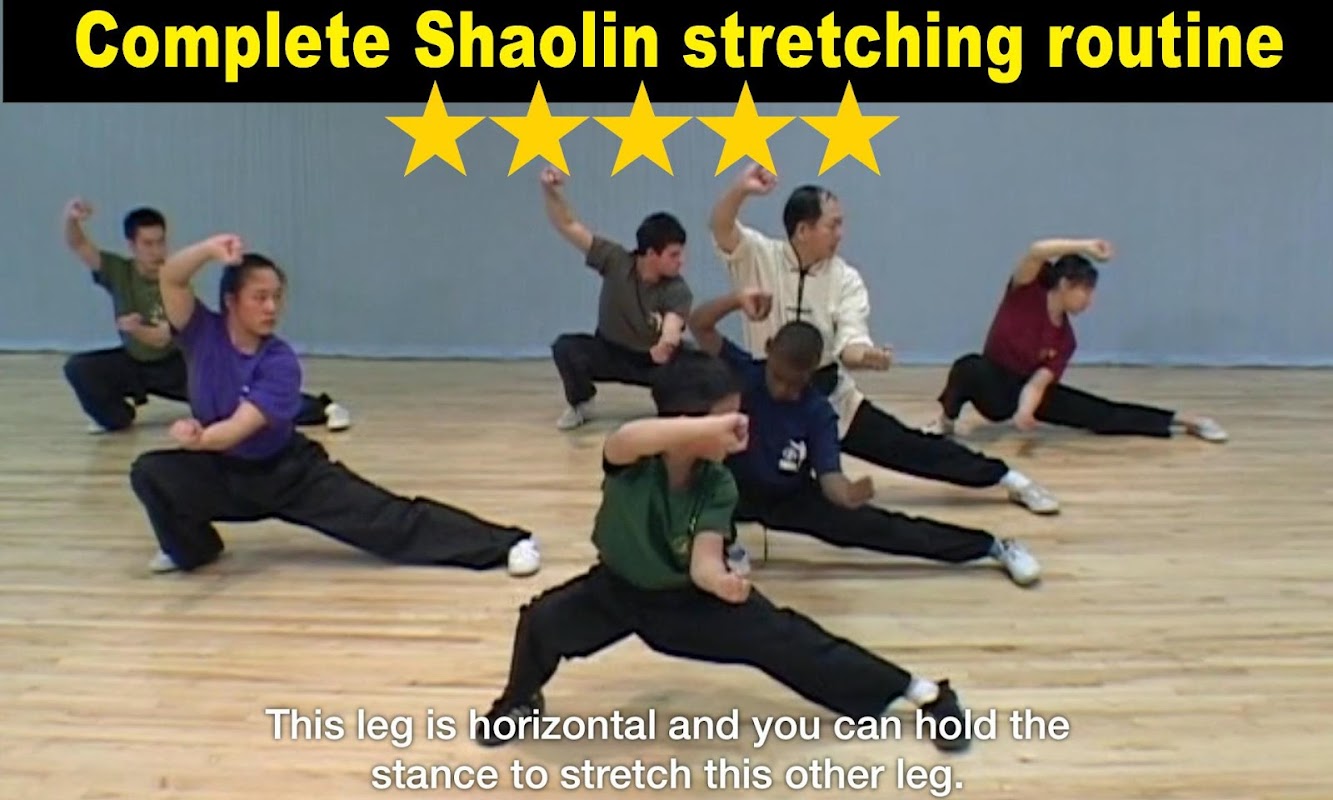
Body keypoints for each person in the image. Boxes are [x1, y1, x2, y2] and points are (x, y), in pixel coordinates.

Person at [475, 349, 972, 753]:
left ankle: (925, 693)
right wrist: (703, 429)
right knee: (541, 621)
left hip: (684, 603)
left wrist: (721, 582)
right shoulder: (633, 459)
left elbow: (703, 561)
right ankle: (520, 700)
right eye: (730, 418)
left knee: (793, 641)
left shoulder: (718, 483)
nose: (740, 427)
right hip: (615, 590)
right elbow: (628, 437)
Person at [127, 233, 541, 578]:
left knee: (390, 521)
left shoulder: (279, 361)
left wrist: (200, 438)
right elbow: (172, 278)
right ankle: (192, 550)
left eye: (277, 297)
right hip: (224, 473)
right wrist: (208, 250)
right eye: (260, 297)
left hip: (288, 474)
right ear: (231, 301)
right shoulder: (202, 332)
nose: (271, 308)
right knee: (151, 472)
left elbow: (238, 427)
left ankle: (508, 543)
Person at [708, 163, 1059, 515]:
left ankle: (1009, 478)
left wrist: (868, 356)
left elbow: (850, 344)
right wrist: (742, 188)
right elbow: (721, 227)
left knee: (912, 448)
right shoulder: (759, 256)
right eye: (833, 225)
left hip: (827, 399)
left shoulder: (845, 279)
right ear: (803, 230)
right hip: (767, 397)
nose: (841, 233)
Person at [689, 287, 1041, 586]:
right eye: (778, 377)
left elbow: (830, 479)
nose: (783, 389)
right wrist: (737, 299)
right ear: (768, 350)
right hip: (728, 489)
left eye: (794, 383)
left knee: (885, 529)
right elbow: (699, 323)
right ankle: (724, 541)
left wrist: (849, 493)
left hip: (790, 498)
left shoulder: (818, 413)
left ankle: (992, 546)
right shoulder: (743, 370)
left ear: (811, 373)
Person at [60, 198, 351, 434]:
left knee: (236, 397)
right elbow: (79, 246)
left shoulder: (171, 281)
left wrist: (135, 329)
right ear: (132, 245)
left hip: (178, 364)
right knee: (80, 369)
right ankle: (115, 418)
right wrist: (71, 219)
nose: (156, 250)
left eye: (160, 242)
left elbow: (163, 338)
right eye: (148, 244)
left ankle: (322, 408)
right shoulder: (118, 271)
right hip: (135, 362)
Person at [923, 238, 1229, 443]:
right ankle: (945, 422)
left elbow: (1037, 384)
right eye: (1086, 291)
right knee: (969, 366)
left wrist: (1025, 411)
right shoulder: (1026, 291)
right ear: (1065, 284)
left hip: (1022, 393)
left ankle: (1187, 421)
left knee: (1101, 413)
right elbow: (1037, 249)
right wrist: (1086, 246)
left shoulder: (1066, 339)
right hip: (990, 382)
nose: (1089, 301)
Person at [539, 166, 694, 430]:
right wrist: (551, 192)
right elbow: (568, 225)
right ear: (650, 254)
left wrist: (665, 344)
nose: (682, 261)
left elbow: (672, 326)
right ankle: (582, 403)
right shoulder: (615, 260)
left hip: (652, 360)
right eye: (674, 255)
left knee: (691, 367)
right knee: (566, 348)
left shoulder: (678, 289)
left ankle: (673, 412)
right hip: (610, 351)